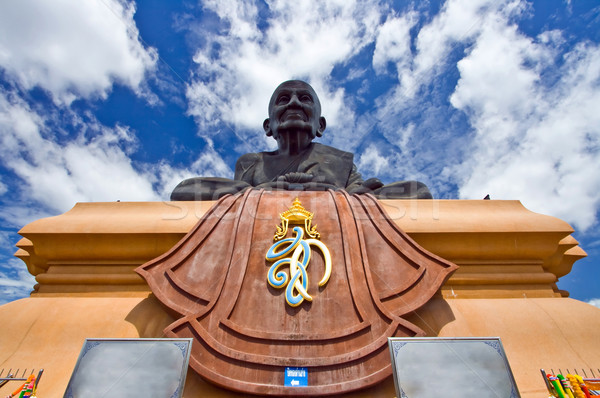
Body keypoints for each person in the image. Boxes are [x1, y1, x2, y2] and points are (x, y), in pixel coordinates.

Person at [170, 80, 432, 200]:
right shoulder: (251, 164)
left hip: (334, 232)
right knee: (186, 190)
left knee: (417, 191)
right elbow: (191, 195)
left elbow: (362, 196)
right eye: (283, 100)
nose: (294, 102)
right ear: (268, 126)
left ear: (320, 125)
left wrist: (346, 196)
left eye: (304, 99)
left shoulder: (340, 163)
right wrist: (263, 190)